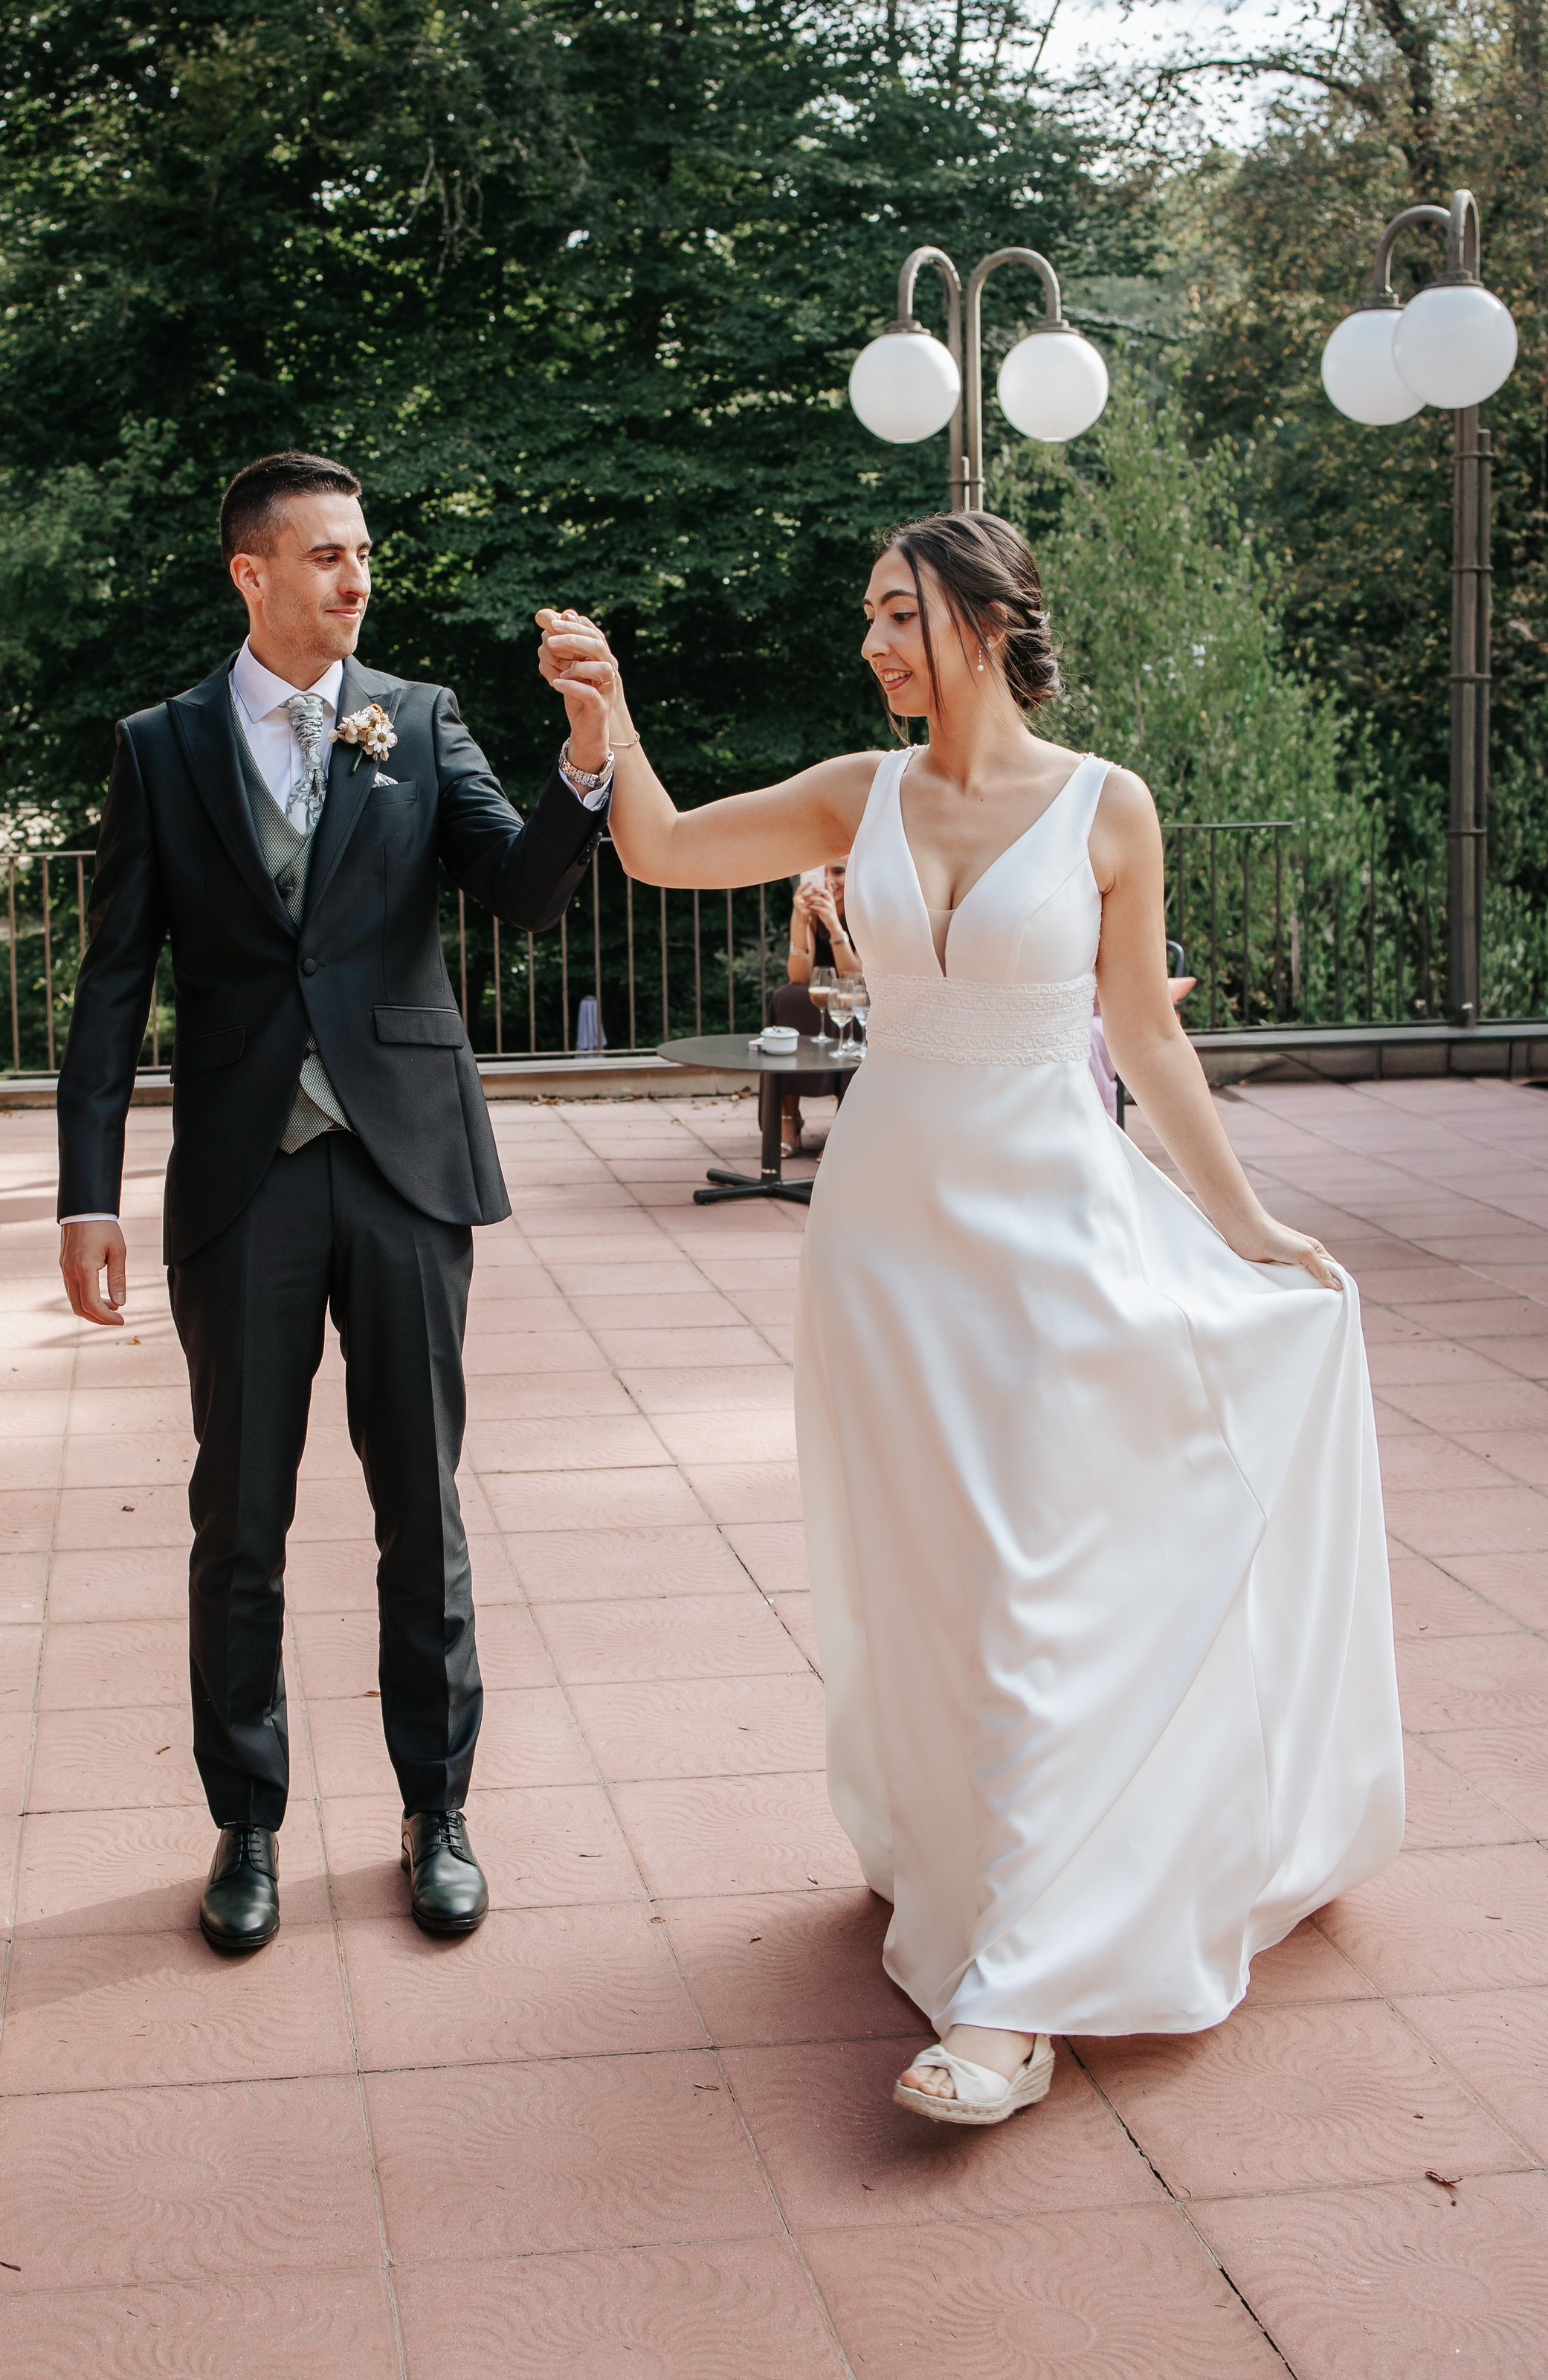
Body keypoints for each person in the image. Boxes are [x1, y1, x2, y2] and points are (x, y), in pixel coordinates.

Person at [537, 513, 1402, 2126]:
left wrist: (1247, 1224)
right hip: (879, 1239)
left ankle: (1013, 1994)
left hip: (1052, 1236)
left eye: (896, 615)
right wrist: (608, 724)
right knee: (923, 1572)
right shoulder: (851, 793)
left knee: (1031, 1579)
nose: (870, 644)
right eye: (864, 617)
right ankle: (956, 1858)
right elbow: (653, 848)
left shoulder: (1103, 807)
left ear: (988, 621)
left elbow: (1141, 1036)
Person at [57, 452, 611, 1956]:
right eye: (322, 556)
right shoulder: (163, 747)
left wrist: (582, 757)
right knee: (238, 1516)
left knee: (419, 1505)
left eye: (362, 553)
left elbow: (520, 892)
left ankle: (438, 1812)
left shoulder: (419, 720)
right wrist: (85, 1191)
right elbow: (115, 984)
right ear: (249, 571)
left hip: (405, 1164)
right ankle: (245, 1827)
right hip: (244, 1175)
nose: (355, 577)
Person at [780, 865, 862, 1152]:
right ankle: (788, 1117)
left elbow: (857, 981)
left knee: (851, 1005)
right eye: (822, 873)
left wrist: (834, 926)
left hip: (857, 1000)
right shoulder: (807, 908)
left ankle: (844, 1125)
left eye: (838, 872)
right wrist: (802, 922)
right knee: (787, 997)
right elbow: (799, 977)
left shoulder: (865, 909)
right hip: (821, 996)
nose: (829, 882)